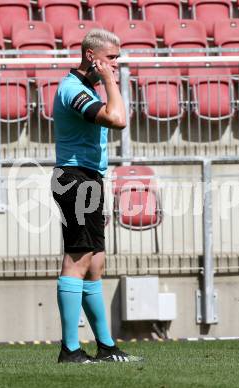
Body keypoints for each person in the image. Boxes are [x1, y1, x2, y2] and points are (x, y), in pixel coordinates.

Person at [52, 29, 142, 364]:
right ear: (92, 56)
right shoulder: (73, 88)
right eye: (112, 58)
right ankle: (70, 349)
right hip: (74, 179)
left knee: (96, 262)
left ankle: (105, 347)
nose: (116, 64)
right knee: (77, 260)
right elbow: (118, 119)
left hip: (90, 178)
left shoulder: (87, 87)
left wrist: (105, 80)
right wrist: (110, 82)